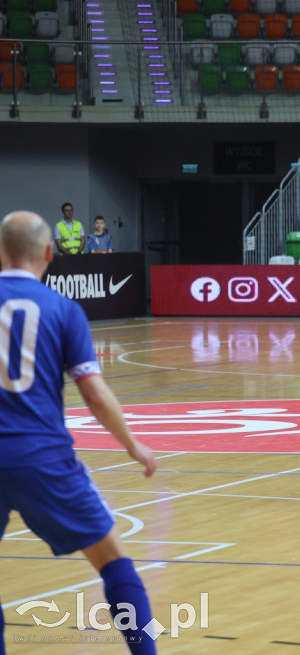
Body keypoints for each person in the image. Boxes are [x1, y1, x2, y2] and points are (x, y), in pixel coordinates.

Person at [0, 211, 159, 653]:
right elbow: (94, 394)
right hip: (42, 458)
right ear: (49, 252)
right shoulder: (62, 310)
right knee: (114, 563)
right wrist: (132, 445)